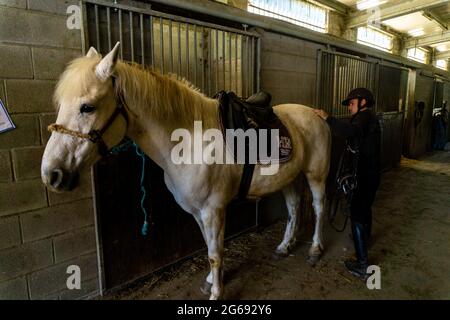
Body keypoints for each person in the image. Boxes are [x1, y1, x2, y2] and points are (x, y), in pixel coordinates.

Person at [313, 88, 381, 279]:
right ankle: (364, 240)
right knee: (365, 209)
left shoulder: (364, 118)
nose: (350, 107)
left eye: (352, 103)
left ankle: (362, 265)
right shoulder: (369, 118)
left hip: (364, 176)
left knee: (357, 215)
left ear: (363, 102)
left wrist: (328, 118)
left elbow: (350, 131)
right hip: (371, 175)